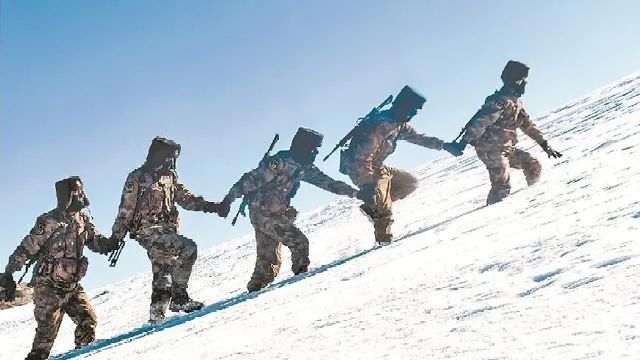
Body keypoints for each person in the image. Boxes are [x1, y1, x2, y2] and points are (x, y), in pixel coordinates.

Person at [219, 128, 359, 292]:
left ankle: (254, 290)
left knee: (267, 260)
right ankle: (300, 285)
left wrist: (355, 192)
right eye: (312, 148)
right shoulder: (280, 163)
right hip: (262, 213)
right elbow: (249, 181)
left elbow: (328, 183)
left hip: (274, 213)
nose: (314, 152)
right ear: (301, 146)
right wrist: (228, 200)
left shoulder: (304, 168)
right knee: (299, 243)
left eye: (316, 149)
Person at [0, 177, 120, 360]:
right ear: (67, 195)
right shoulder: (49, 221)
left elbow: (96, 242)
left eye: (81, 191)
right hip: (48, 287)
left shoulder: (83, 219)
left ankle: (81, 355)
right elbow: (26, 248)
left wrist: (111, 243)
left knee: (88, 321)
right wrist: (9, 273)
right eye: (77, 192)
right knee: (45, 338)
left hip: (72, 286)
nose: (82, 195)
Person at [110, 137, 224, 323]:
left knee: (163, 271)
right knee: (188, 248)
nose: (171, 162)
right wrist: (116, 237)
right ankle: (178, 299)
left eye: (173, 158)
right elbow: (125, 211)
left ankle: (157, 317)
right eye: (168, 157)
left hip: (168, 230)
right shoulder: (137, 178)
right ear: (158, 156)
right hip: (147, 230)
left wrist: (211, 206)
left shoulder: (170, 177)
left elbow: (186, 199)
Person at [339, 85, 457, 244]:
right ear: (403, 106)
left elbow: (419, 138)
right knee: (382, 202)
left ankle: (372, 206)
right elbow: (362, 156)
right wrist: (368, 184)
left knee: (409, 183)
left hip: (377, 166)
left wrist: (445, 145)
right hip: (360, 168)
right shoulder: (382, 124)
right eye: (413, 109)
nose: (415, 113)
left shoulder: (399, 124)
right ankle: (384, 241)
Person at [446, 60, 562, 204]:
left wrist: (544, 144)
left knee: (532, 164)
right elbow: (482, 121)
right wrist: (463, 142)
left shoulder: (516, 103)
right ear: (513, 80)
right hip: (490, 149)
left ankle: (534, 200)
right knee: (501, 185)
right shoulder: (500, 101)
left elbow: (528, 126)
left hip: (506, 148)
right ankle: (493, 217)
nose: (524, 84)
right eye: (522, 80)